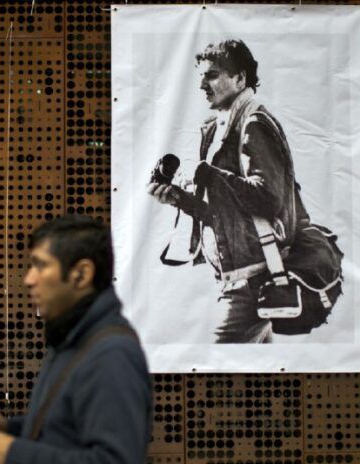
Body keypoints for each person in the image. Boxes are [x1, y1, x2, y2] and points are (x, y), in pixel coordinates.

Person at [0, 215, 153, 464]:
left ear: (81, 274)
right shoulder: (72, 338)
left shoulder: (112, 354)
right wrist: (8, 429)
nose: (28, 279)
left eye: (40, 266)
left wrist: (14, 453)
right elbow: (64, 431)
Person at [148, 39, 307, 343]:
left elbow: (268, 199)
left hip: (251, 282)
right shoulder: (221, 125)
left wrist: (208, 174)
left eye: (212, 75)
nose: (202, 85)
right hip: (241, 279)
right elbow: (227, 214)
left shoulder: (253, 124)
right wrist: (179, 199)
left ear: (240, 78)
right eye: (201, 76)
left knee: (212, 361)